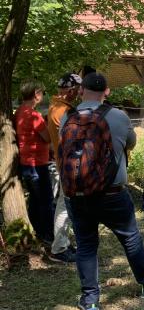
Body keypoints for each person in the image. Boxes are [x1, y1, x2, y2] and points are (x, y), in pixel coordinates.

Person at [59, 72, 144, 310]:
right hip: (111, 193)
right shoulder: (118, 117)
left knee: (86, 245)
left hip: (77, 195)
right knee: (130, 239)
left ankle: (90, 301)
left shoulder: (67, 118)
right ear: (107, 92)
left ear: (81, 91)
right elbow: (130, 143)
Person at [47, 73, 82, 263]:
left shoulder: (54, 106)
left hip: (62, 163)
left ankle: (64, 243)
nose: (79, 93)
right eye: (77, 90)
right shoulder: (64, 112)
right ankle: (59, 248)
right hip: (68, 165)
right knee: (64, 207)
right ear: (70, 91)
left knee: (66, 205)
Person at [13, 81, 54, 245]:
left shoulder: (19, 112)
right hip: (37, 164)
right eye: (42, 93)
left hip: (26, 163)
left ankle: (37, 231)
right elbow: (48, 138)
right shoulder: (34, 115)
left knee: (36, 200)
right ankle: (48, 235)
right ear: (36, 95)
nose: (42, 96)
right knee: (46, 200)